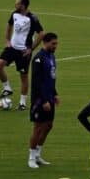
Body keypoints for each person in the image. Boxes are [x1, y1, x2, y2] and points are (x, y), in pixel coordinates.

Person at [0, 0, 44, 110]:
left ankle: (22, 103)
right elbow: (9, 26)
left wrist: (31, 48)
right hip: (12, 48)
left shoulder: (32, 18)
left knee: (23, 76)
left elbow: (41, 33)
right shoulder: (14, 14)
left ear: (23, 5)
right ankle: (7, 88)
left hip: (23, 52)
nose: (15, 5)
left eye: (17, 4)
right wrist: (7, 40)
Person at [28, 33, 59, 169]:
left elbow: (50, 78)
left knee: (48, 126)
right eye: (53, 44)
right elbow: (37, 82)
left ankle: (38, 154)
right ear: (45, 43)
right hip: (40, 100)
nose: (55, 46)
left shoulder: (51, 56)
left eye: (56, 44)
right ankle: (31, 157)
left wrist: (55, 94)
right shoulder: (38, 59)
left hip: (49, 97)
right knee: (38, 127)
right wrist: (44, 100)